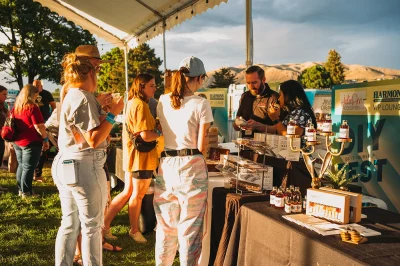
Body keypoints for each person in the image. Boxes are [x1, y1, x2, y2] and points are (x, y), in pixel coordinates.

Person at [52, 49, 124, 266]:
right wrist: (114, 113)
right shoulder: (82, 97)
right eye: (98, 70)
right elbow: (93, 139)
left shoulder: (72, 93)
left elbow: (81, 132)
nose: (99, 76)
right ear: (92, 71)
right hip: (85, 165)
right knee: (92, 226)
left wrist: (101, 108)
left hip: (66, 162)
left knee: (69, 222)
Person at [154, 56, 213, 265]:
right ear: (199, 78)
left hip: (167, 165)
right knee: (190, 229)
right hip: (191, 164)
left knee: (166, 226)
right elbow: (202, 145)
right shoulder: (201, 103)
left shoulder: (162, 100)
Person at [103, 73, 160, 244]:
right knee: (137, 195)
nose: (155, 88)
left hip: (132, 155)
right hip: (141, 156)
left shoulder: (132, 102)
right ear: (141, 86)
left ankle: (104, 226)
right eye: (151, 85)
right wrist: (158, 132)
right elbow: (145, 135)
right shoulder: (141, 105)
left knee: (127, 192)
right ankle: (134, 230)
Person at [13, 84, 49, 198]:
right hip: (31, 141)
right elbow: (39, 126)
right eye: (36, 95)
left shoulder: (17, 107)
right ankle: (26, 192)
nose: (37, 98)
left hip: (18, 141)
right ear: (32, 94)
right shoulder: (32, 107)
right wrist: (45, 139)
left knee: (21, 166)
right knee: (29, 167)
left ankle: (21, 190)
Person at [233, 65, 279, 136]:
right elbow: (236, 126)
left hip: (266, 145)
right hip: (245, 143)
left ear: (263, 80)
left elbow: (280, 129)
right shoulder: (244, 96)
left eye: (254, 83)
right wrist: (238, 124)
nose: (251, 87)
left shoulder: (273, 97)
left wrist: (258, 126)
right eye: (248, 83)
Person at [32, 80, 56, 182]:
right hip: (32, 124)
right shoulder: (30, 93)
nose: (36, 87)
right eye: (34, 86)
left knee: (43, 147)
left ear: (41, 86)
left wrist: (52, 117)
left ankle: (38, 174)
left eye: (38, 86)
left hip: (44, 124)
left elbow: (54, 106)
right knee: (34, 148)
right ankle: (33, 173)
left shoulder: (47, 94)